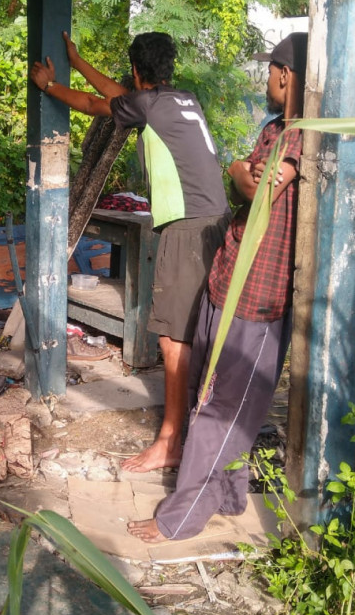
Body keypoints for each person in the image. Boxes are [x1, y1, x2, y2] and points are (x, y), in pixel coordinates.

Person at [127, 32, 307, 543]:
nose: (266, 79)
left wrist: (237, 169)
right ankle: (228, 496)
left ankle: (179, 517)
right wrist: (239, 170)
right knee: (213, 392)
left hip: (257, 294)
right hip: (230, 280)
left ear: (284, 75)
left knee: (221, 410)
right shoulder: (277, 130)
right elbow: (249, 178)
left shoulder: (299, 138)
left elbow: (257, 184)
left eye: (270, 70)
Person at [30, 31, 230, 473]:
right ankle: (194, 431)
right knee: (194, 332)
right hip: (215, 223)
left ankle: (170, 443)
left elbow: (91, 104)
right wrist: (77, 61)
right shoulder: (180, 100)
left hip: (187, 228)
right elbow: (122, 96)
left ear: (136, 69)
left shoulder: (147, 105)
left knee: (173, 340)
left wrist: (48, 84)